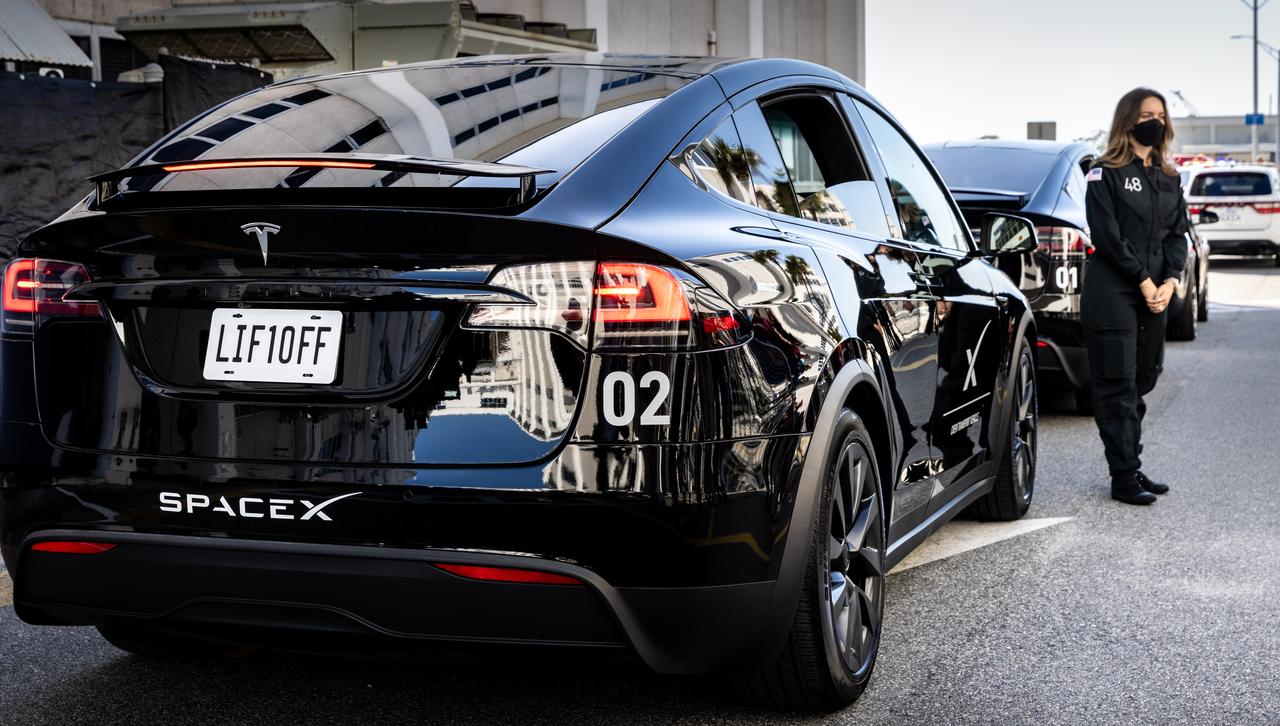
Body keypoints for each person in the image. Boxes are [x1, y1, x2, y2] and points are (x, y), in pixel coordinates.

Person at [1082, 88, 1188, 505]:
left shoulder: (1168, 176)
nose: (1155, 122)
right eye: (1147, 114)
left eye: (1161, 115)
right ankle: (1123, 475)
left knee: (1144, 377)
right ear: (1128, 120)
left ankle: (1131, 464)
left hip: (1155, 292)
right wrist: (1144, 280)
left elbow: (1177, 233)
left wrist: (1170, 279)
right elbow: (1106, 234)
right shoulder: (1103, 171)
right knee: (1117, 384)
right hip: (1113, 291)